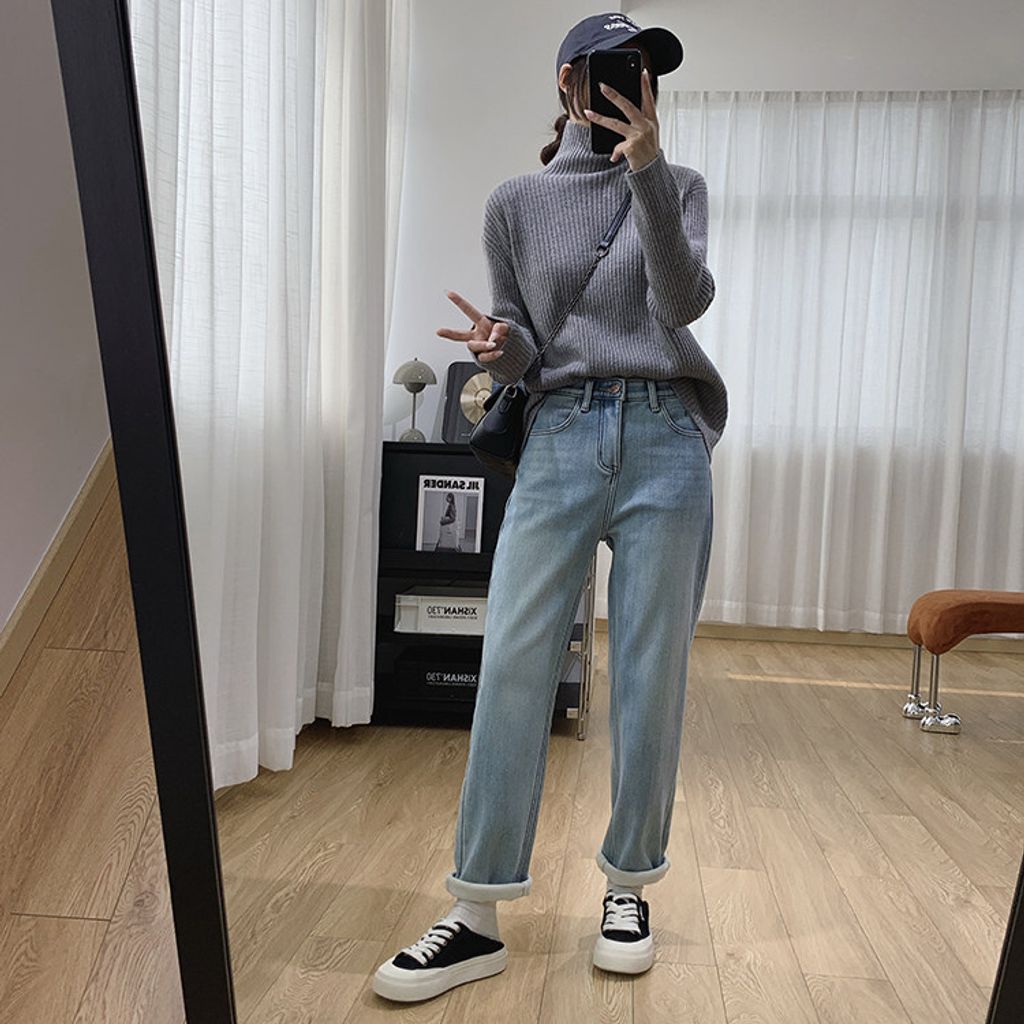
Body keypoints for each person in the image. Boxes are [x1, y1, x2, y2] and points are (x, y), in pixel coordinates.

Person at [372, 11, 727, 1003]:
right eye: (616, 67)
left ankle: (629, 889)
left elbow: (683, 302)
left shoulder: (679, 185)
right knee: (514, 665)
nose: (633, 82)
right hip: (562, 435)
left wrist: (646, 171)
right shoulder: (515, 202)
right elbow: (529, 347)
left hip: (666, 436)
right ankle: (477, 913)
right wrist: (502, 346)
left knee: (649, 672)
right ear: (569, 80)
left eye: (646, 70)